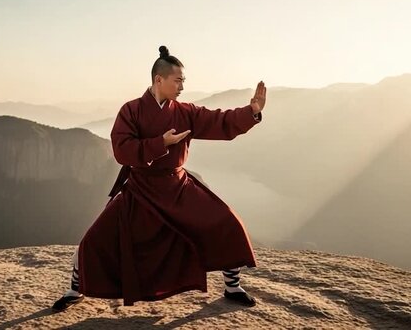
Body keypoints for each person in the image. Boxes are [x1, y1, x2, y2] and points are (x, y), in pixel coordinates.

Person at [52, 45, 266, 311]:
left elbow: (218, 121)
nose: (181, 87)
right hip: (141, 188)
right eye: (178, 81)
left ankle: (232, 285)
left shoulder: (185, 112)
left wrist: (251, 112)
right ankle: (75, 288)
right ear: (158, 80)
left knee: (227, 222)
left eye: (183, 82)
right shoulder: (131, 111)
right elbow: (122, 150)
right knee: (94, 239)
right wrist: (159, 143)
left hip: (178, 186)